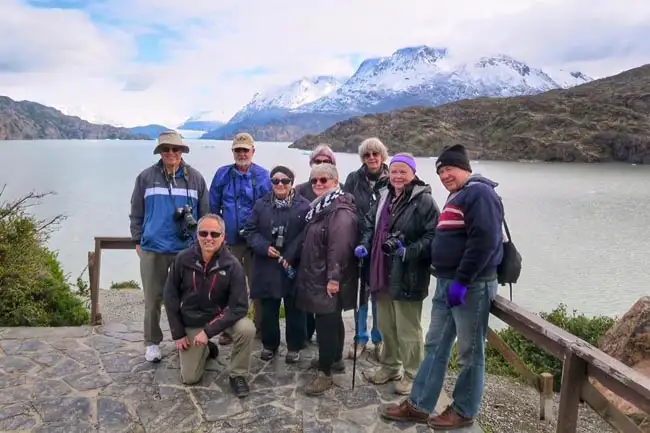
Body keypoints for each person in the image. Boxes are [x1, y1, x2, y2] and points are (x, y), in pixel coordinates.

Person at [379, 144, 503, 429]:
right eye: (441, 170)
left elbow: (483, 241)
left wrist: (461, 282)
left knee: (470, 353)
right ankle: (419, 405)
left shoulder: (480, 193)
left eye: (450, 168)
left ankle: (463, 410)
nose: (445, 174)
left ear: (465, 168)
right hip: (447, 283)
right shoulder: (457, 194)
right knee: (435, 345)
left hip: (470, 286)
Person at [355, 153, 439, 395]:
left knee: (408, 329)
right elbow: (370, 224)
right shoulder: (384, 196)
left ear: (413, 173)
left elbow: (433, 236)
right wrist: (364, 243)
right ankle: (391, 366)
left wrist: (409, 251)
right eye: (394, 171)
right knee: (386, 325)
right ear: (388, 173)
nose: (398, 176)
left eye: (403, 171)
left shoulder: (424, 201)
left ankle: (413, 374)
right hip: (381, 271)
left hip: (408, 274)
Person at [129, 131, 209, 362]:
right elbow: (136, 212)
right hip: (153, 249)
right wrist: (137, 240)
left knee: (189, 298)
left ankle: (186, 337)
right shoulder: (145, 177)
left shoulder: (195, 178)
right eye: (166, 149)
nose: (171, 153)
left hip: (186, 249)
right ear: (160, 152)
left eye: (176, 149)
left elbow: (206, 215)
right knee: (152, 299)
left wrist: (202, 245)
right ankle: (152, 342)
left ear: (182, 151)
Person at [163, 213, 256, 398]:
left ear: (223, 237)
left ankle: (237, 374)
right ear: (197, 235)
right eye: (203, 233)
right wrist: (178, 333)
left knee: (247, 329)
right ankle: (206, 351)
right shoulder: (182, 259)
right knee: (190, 378)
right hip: (192, 319)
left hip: (220, 318)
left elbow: (239, 307)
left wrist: (208, 332)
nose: (208, 238)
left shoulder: (232, 265)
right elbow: (170, 295)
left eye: (214, 234)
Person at [295, 163, 358, 396]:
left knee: (325, 324)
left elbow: (339, 247)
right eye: (314, 181)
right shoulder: (322, 207)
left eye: (324, 180)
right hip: (319, 275)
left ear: (335, 181)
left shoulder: (339, 210)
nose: (319, 184)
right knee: (332, 319)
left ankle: (325, 373)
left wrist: (333, 278)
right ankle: (335, 359)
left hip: (327, 278)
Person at [242, 166, 311, 363]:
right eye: (275, 181)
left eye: (285, 181)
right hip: (267, 263)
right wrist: (264, 247)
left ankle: (294, 346)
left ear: (292, 182)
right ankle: (269, 344)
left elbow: (307, 234)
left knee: (295, 307)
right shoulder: (260, 205)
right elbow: (250, 231)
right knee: (268, 308)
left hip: (293, 264)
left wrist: (290, 254)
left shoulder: (304, 206)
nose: (280, 184)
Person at [209, 132, 272, 343]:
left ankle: (260, 329)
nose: (242, 153)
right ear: (233, 152)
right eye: (238, 150)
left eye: (245, 150)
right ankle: (228, 329)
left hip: (256, 243)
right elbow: (213, 207)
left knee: (258, 287)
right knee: (228, 287)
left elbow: (271, 208)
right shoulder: (222, 175)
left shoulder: (264, 176)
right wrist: (216, 236)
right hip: (229, 242)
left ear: (253, 151)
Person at [342, 137, 390, 361]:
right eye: (367, 155)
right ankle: (360, 338)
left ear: (382, 156)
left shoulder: (392, 179)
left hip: (382, 247)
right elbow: (346, 206)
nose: (371, 158)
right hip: (359, 245)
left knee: (379, 294)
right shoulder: (353, 178)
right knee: (361, 293)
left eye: (375, 154)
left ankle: (379, 338)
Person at [294, 143, 337, 343]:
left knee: (324, 301)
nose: (321, 164)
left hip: (326, 255)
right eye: (317, 161)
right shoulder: (301, 189)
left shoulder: (337, 191)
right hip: (304, 252)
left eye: (326, 161)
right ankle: (305, 334)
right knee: (305, 297)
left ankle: (326, 340)